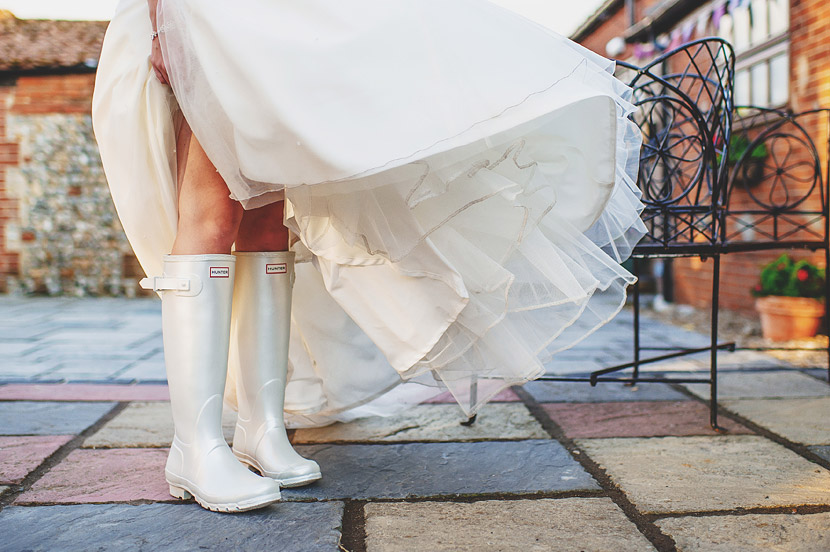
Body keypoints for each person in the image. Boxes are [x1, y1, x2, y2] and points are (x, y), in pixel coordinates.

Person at [92, 0, 646, 513]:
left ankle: (260, 429)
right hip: (209, 16)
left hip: (275, 24)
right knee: (211, 215)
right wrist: (165, 19)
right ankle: (196, 446)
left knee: (266, 220)